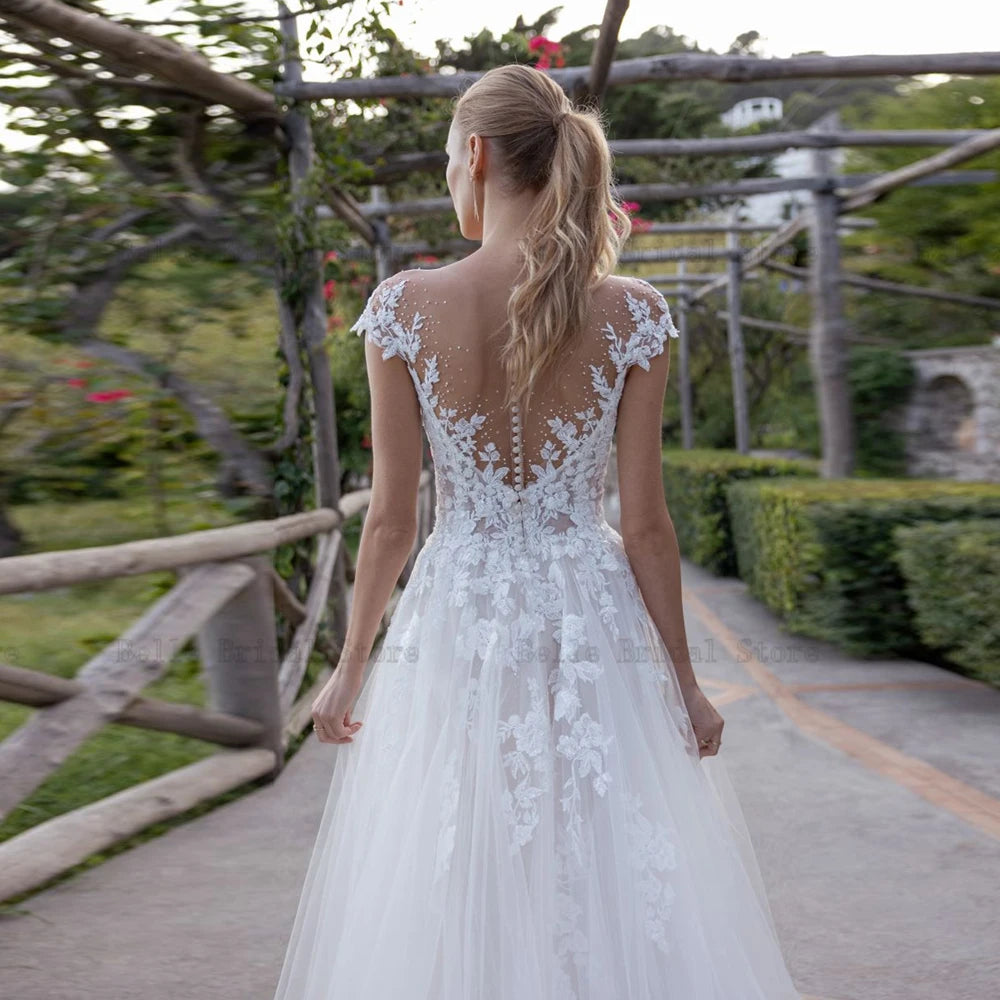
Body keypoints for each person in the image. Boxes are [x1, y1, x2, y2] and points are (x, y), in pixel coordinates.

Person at [272, 63, 802, 999]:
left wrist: (351, 664)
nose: (447, 175)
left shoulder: (403, 307)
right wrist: (684, 684)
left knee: (458, 844)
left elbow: (394, 517)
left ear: (474, 156)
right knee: (601, 848)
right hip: (589, 617)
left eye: (447, 158)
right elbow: (644, 526)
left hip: (457, 611)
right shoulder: (634, 313)